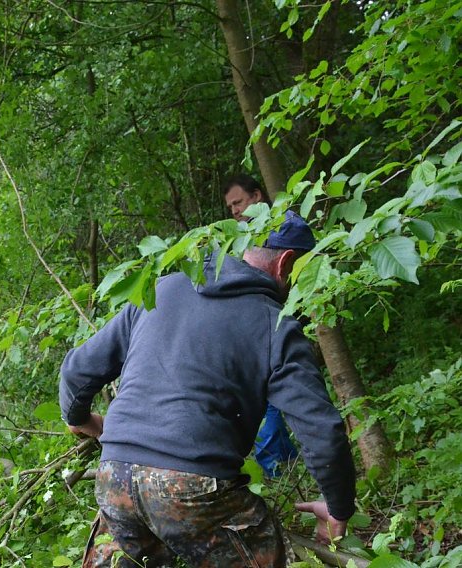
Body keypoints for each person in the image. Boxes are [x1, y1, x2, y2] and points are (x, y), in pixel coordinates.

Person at [60, 214, 356, 567]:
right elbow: (321, 430)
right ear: (288, 262)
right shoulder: (276, 324)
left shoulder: (163, 288)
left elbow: (77, 370)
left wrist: (82, 420)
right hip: (193, 486)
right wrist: (338, 509)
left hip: (115, 477)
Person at [223, 173, 299, 478]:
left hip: (279, 322)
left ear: (257, 197)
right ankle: (285, 457)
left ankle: (272, 467)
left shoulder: (283, 228)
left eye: (238, 202)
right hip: (259, 324)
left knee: (268, 397)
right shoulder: (242, 237)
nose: (235, 211)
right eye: (230, 208)